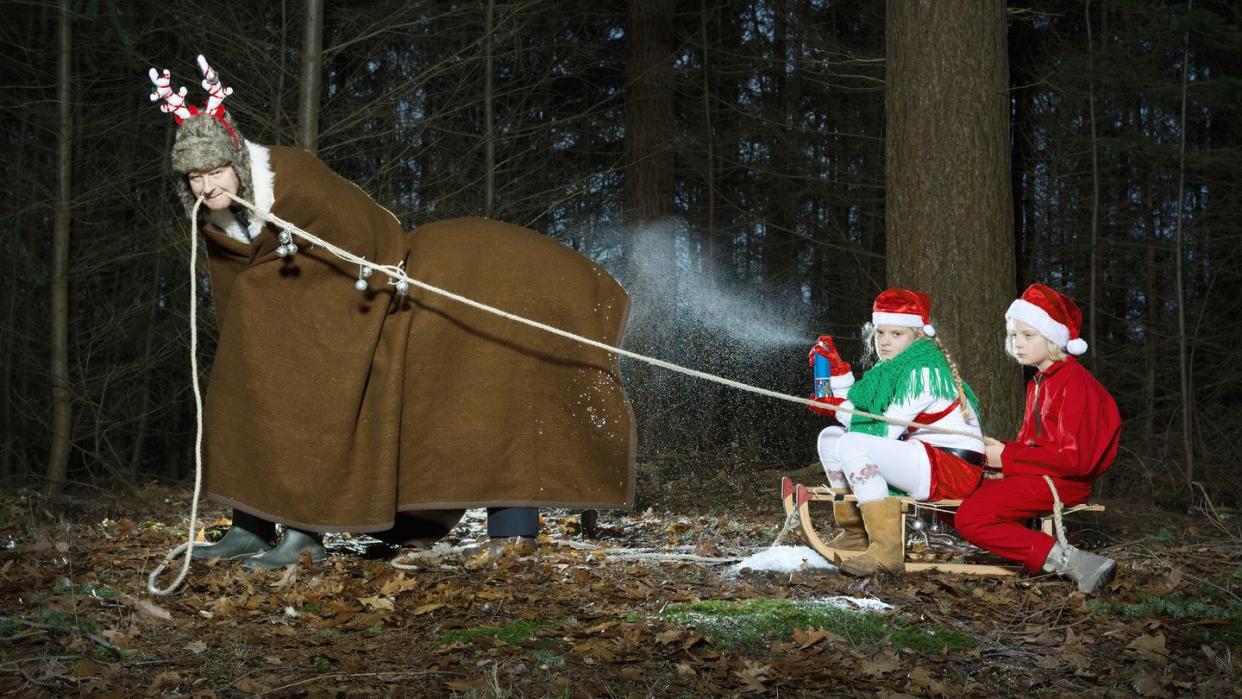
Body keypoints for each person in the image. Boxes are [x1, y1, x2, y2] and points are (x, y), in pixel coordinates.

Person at [150, 57, 635, 570]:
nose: (206, 187)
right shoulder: (217, 220)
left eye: (215, 171)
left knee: (471, 394)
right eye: (195, 178)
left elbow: (371, 238)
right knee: (247, 388)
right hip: (309, 319)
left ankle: (308, 531)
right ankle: (251, 523)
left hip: (378, 296)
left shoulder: (296, 186)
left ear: (239, 164)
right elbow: (250, 303)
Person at [954, 284, 1120, 593]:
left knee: (971, 517)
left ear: (1053, 338)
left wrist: (1007, 458)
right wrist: (1001, 452)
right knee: (964, 484)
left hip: (1066, 480)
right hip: (1043, 472)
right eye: (1015, 335)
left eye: (1028, 336)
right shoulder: (1039, 381)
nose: (1018, 344)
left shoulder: (1073, 381)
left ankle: (1075, 562)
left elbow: (1074, 459)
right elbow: (1035, 444)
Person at [808, 289, 984, 575]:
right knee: (830, 438)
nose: (885, 342)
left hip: (952, 467)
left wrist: (836, 407)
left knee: (853, 444)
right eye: (880, 334)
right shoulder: (892, 368)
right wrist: (836, 377)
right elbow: (862, 408)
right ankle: (856, 532)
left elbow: (884, 431)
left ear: (918, 335)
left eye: (896, 334)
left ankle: (886, 550)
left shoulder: (923, 371)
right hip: (923, 457)